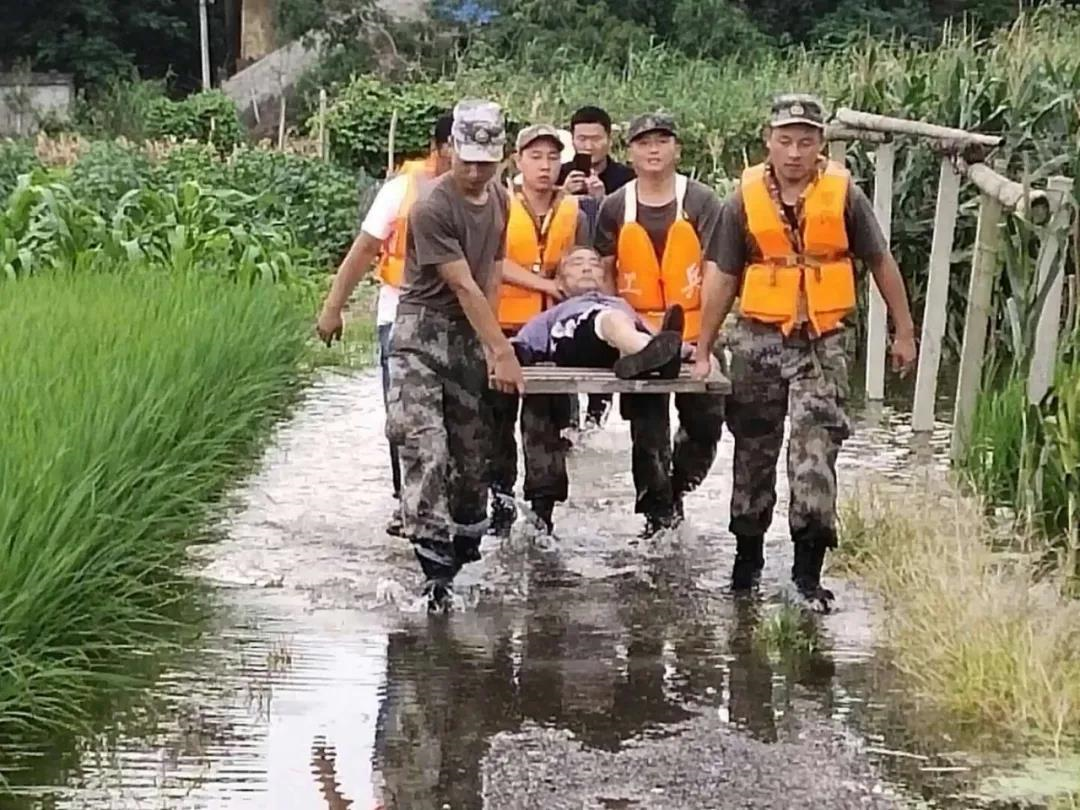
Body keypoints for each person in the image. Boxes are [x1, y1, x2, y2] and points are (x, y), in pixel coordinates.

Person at [692, 93, 918, 611]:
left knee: (814, 453)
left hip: (824, 340)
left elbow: (880, 262)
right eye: (785, 140)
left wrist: (904, 332)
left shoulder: (845, 195)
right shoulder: (741, 200)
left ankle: (806, 577)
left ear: (821, 144)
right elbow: (723, 277)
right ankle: (746, 566)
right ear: (768, 141)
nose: (794, 152)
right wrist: (703, 348)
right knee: (753, 451)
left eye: (806, 141)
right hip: (757, 339)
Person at [384, 98, 524, 611]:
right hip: (420, 335)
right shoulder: (432, 207)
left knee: (471, 462)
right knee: (426, 447)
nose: (475, 172)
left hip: (468, 336)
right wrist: (502, 351)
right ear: (451, 153)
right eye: (467, 161)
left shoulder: (502, 201)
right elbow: (462, 284)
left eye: (486, 163)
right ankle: (431, 570)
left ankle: (461, 552)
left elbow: (492, 271)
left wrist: (490, 343)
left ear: (502, 159)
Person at [316, 114, 454, 537]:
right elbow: (363, 250)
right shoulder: (400, 191)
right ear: (437, 147)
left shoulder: (488, 194)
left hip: (461, 320)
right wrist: (333, 308)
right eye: (457, 145)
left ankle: (454, 506)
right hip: (400, 316)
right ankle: (407, 504)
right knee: (406, 417)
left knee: (459, 419)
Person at [594, 112, 728, 539]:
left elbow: (718, 271)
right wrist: (620, 331)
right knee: (647, 434)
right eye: (643, 142)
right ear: (629, 152)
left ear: (677, 149)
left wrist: (708, 339)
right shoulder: (615, 206)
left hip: (695, 330)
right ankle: (657, 519)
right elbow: (605, 271)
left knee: (706, 425)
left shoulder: (702, 201)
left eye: (662, 141)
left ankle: (678, 489)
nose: (653, 150)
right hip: (639, 339)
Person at [508, 247, 688, 531]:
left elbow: (659, 337)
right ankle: (648, 356)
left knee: (646, 386)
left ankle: (658, 505)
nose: (587, 268)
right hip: (577, 336)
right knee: (611, 322)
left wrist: (693, 352)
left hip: (623, 340)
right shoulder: (553, 313)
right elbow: (522, 345)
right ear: (560, 280)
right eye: (577, 263)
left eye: (594, 263)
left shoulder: (620, 303)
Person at [487, 124, 593, 537]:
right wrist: (545, 285)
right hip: (505, 328)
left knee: (546, 424)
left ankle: (543, 516)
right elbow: (492, 262)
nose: (545, 166)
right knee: (497, 423)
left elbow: (583, 260)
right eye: (535, 157)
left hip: (553, 333)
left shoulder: (573, 210)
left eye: (552, 157)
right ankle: (500, 506)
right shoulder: (496, 203)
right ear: (518, 161)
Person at [558, 105, 637, 430]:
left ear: (609, 139)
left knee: (606, 339)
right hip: (567, 273)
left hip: (607, 268)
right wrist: (563, 195)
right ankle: (568, 421)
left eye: (596, 139)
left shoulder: (626, 178)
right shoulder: (558, 173)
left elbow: (629, 225)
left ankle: (597, 420)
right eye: (581, 139)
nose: (588, 146)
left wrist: (605, 199)